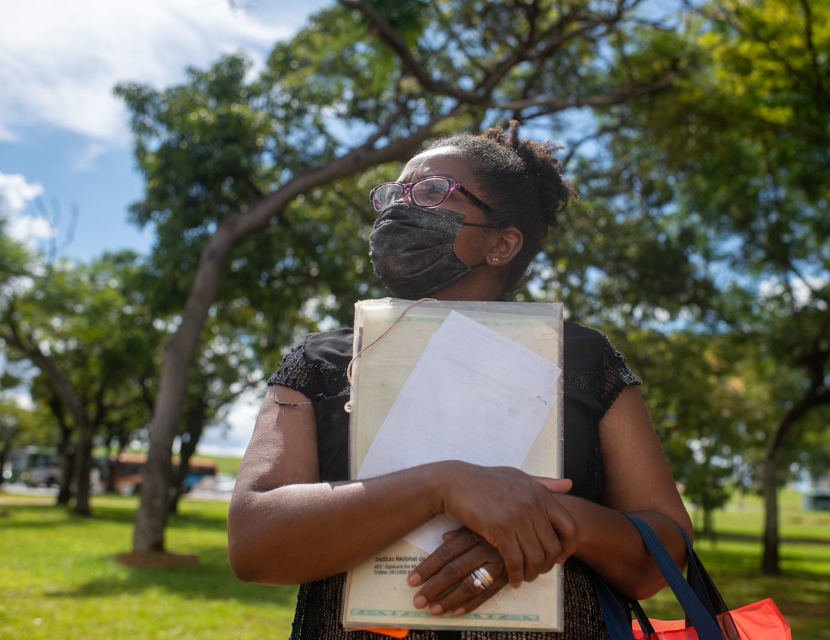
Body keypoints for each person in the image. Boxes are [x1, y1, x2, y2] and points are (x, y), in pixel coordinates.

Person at [228, 121, 693, 639]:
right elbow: (254, 542)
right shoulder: (322, 360)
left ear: (501, 244)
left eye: (430, 192)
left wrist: (549, 520)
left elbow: (666, 554)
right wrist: (441, 485)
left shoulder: (582, 359)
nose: (401, 208)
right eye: (393, 195)